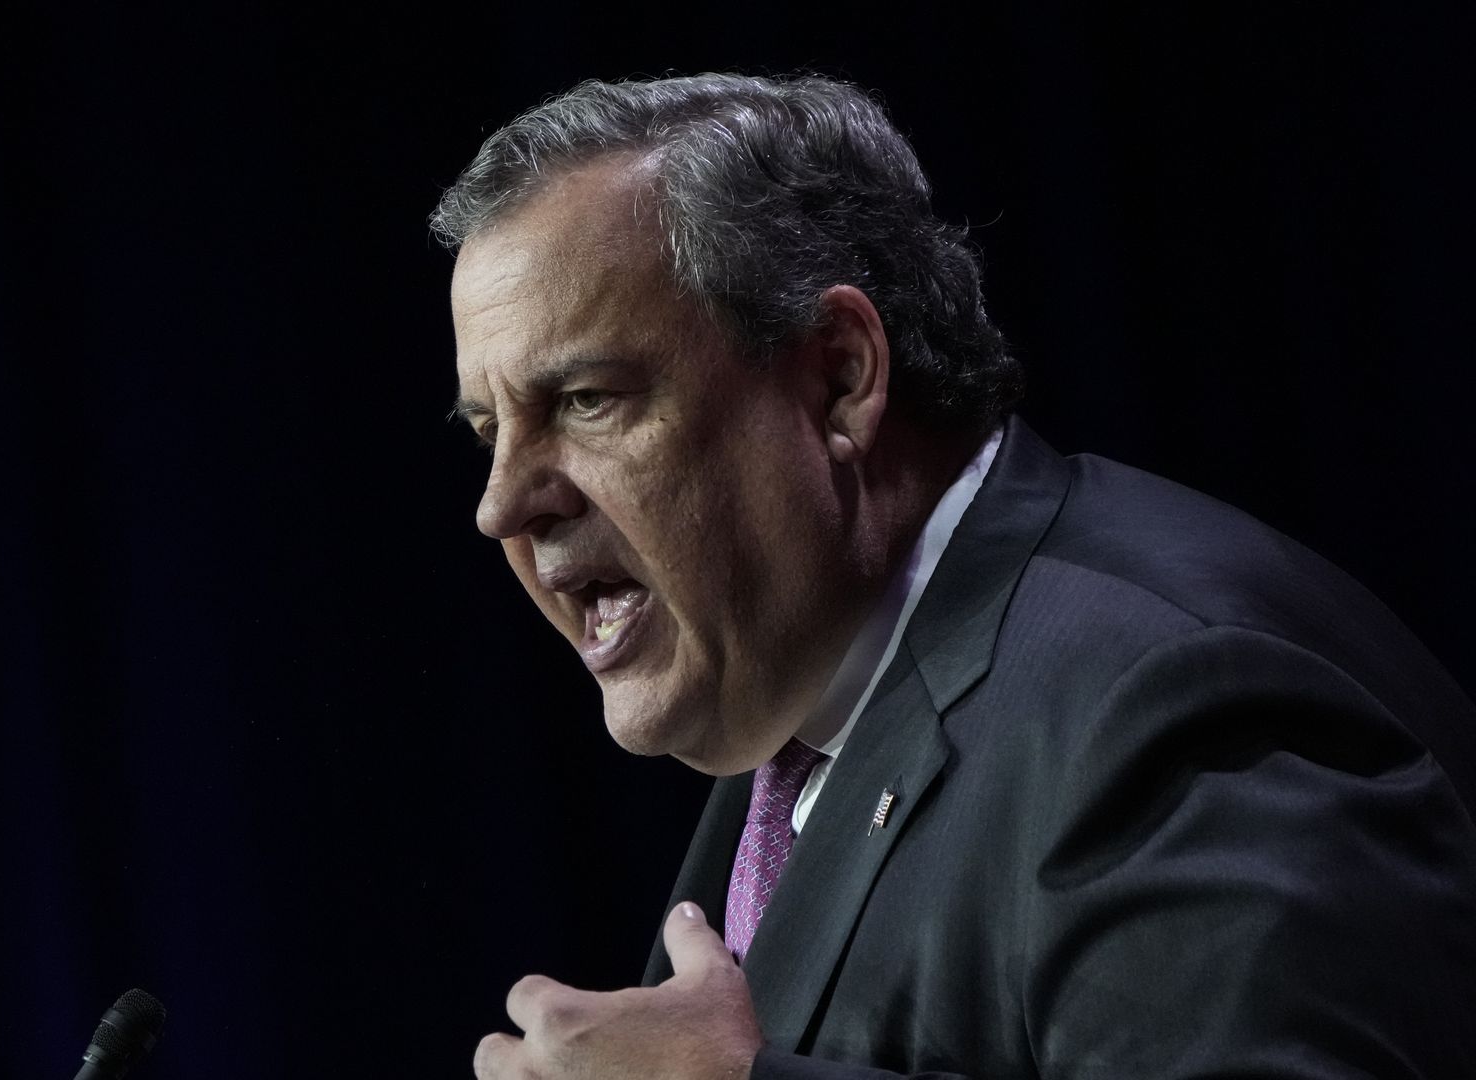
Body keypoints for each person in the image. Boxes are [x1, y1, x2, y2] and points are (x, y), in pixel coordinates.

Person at [433, 73, 1476, 1079]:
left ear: (841, 376)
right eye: (489, 432)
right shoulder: (806, 721)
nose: (503, 505)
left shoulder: (1172, 704)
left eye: (585, 401)